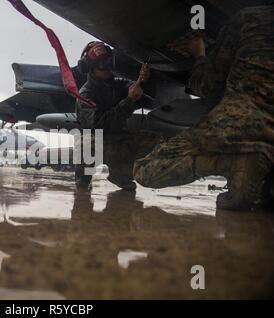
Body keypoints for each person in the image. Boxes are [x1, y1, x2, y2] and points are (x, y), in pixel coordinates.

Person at [133, 5, 274, 210]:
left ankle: (230, 164)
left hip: (240, 121)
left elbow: (208, 85)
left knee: (144, 171)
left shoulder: (251, 17)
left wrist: (199, 54)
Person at [75, 41, 161, 190]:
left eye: (109, 62)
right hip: (99, 139)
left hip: (119, 139)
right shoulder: (85, 95)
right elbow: (99, 126)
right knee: (87, 144)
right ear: (90, 67)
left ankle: (120, 174)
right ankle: (83, 179)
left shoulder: (118, 84)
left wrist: (144, 81)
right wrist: (128, 101)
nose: (108, 67)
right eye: (102, 64)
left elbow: (138, 90)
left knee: (154, 141)